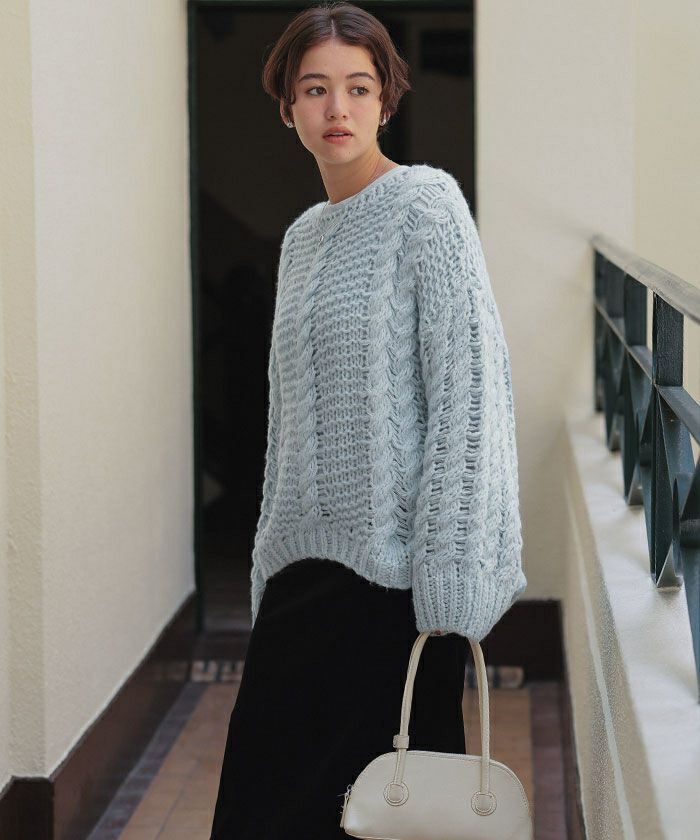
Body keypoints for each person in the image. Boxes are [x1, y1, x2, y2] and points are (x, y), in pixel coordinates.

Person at [209, 3, 526, 838]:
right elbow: (291, 423)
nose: (337, 109)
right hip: (300, 579)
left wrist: (449, 581)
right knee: (260, 807)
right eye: (315, 89)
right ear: (287, 107)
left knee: (392, 816)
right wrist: (266, 561)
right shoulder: (302, 239)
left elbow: (470, 392)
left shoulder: (427, 206)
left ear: (387, 99)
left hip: (397, 592)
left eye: (358, 86)